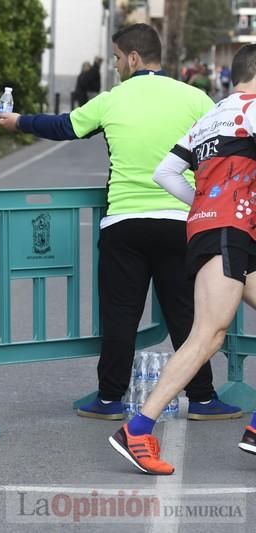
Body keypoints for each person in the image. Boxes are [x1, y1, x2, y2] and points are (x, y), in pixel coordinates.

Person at [0, 24, 241, 422]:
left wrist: (19, 121)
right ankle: (203, 398)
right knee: (186, 314)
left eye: (115, 58)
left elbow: (64, 127)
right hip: (181, 220)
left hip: (124, 222)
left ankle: (109, 399)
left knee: (121, 313)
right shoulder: (196, 98)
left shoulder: (112, 99)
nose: (113, 66)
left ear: (132, 58)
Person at [109, 43, 256, 476]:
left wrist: (206, 205)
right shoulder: (253, 109)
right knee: (207, 335)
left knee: (207, 332)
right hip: (230, 231)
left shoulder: (212, 115)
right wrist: (222, 209)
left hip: (217, 228)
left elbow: (164, 173)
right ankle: (136, 430)